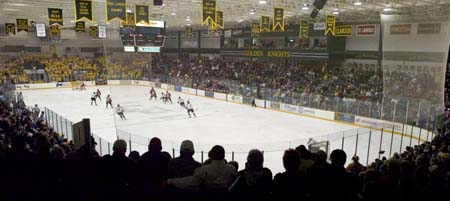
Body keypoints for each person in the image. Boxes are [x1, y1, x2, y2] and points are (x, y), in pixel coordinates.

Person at [167, 145, 237, 197]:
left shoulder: (204, 170)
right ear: (224, 155)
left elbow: (191, 182)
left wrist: (171, 181)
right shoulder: (232, 169)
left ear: (211, 155)